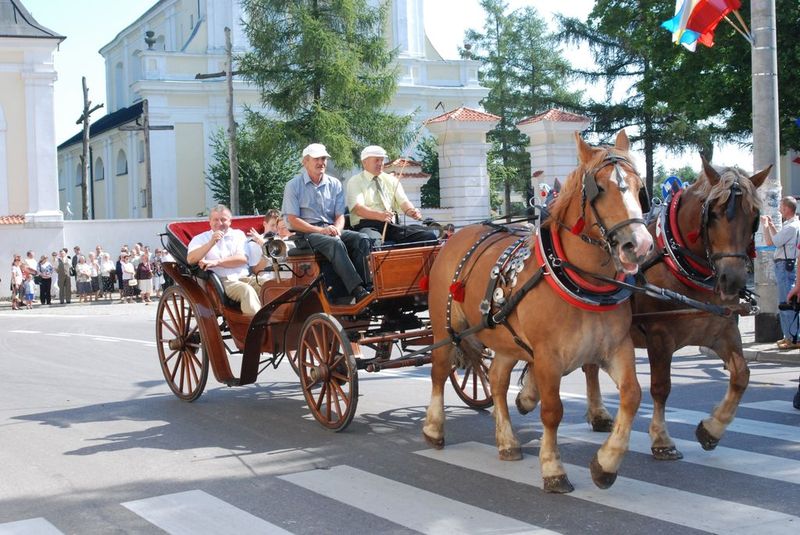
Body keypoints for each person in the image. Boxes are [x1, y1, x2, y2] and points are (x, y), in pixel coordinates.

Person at [282, 143, 372, 304]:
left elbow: (340, 216)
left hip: (330, 230)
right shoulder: (293, 185)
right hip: (306, 234)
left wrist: (337, 229)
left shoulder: (335, 183)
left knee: (362, 238)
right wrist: (321, 231)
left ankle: (369, 287)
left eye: (323, 158)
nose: (321, 162)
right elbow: (293, 221)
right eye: (316, 159)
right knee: (334, 244)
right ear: (305, 162)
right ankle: (357, 290)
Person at [346, 145, 437, 247]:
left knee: (428, 237)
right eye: (376, 160)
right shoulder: (355, 181)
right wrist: (380, 215)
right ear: (364, 162)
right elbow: (358, 209)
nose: (380, 163)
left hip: (391, 225)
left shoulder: (391, 180)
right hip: (367, 225)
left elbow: (403, 202)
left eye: (382, 160)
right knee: (373, 243)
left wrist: (411, 211)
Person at [187, 204, 261, 316]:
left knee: (271, 285)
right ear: (210, 222)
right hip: (224, 282)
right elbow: (191, 259)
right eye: (216, 220)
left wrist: (216, 262)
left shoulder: (238, 235)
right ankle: (255, 325)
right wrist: (211, 243)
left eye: (223, 219)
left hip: (245, 277)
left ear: (230, 221)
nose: (219, 223)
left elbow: (242, 259)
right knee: (247, 290)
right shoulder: (200, 238)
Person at [761, 196, 800, 349]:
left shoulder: (791, 227)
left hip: (785, 266)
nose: (779, 209)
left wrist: (765, 226)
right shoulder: (792, 225)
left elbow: (771, 242)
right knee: (787, 302)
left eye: (780, 206)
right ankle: (789, 336)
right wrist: (772, 226)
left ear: (786, 208)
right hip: (787, 265)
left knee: (786, 303)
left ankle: (793, 338)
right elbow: (779, 239)